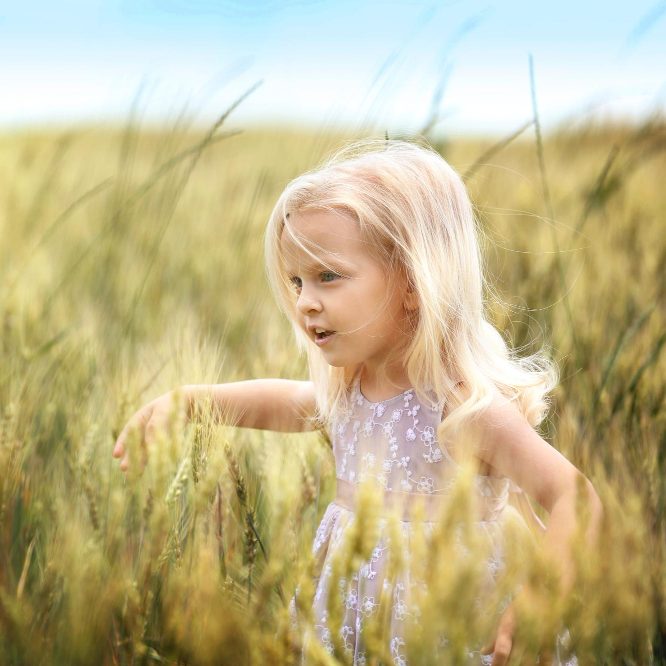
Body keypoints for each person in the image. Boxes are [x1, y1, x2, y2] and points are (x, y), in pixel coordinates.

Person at [113, 139, 602, 665]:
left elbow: (576, 497)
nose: (305, 301)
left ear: (414, 281)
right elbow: (288, 402)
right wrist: (193, 402)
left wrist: (541, 602)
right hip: (353, 621)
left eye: (329, 276)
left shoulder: (462, 409)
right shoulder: (349, 387)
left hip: (449, 625)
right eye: (297, 281)